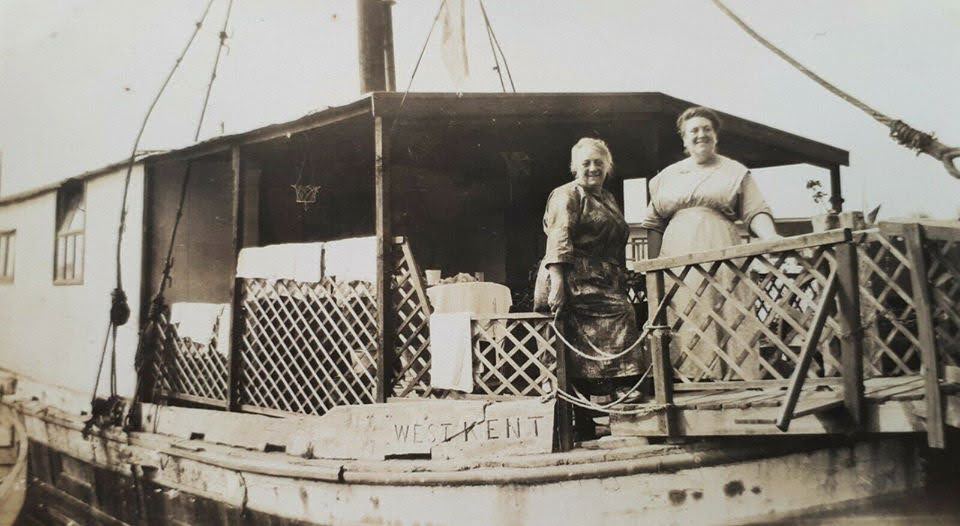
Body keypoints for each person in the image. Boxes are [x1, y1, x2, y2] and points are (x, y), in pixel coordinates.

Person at [641, 106, 780, 381]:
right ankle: (690, 378)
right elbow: (654, 224)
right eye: (694, 130)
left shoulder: (734, 171)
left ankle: (735, 378)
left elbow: (755, 210)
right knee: (687, 310)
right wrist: (653, 269)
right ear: (684, 139)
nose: (701, 134)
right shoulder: (666, 177)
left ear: (716, 136)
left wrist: (770, 236)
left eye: (707, 129)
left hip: (721, 249)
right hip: (678, 256)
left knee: (726, 309)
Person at [535, 137, 644, 438]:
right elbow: (559, 237)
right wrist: (558, 282)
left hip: (602, 279)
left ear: (608, 167)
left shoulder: (607, 197)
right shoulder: (567, 194)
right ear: (574, 167)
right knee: (621, 315)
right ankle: (620, 388)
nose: (593, 168)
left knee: (616, 321)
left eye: (599, 162)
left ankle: (603, 411)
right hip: (572, 277)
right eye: (586, 163)